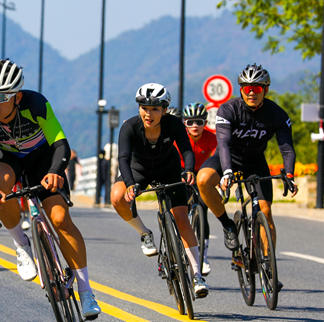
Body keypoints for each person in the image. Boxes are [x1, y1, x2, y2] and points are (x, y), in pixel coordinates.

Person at [0, 59, 101, 319]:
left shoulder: (36, 104)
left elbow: (61, 145)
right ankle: (21, 245)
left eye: (1, 96)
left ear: (17, 97)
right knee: (0, 184)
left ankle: (86, 292)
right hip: (6, 158)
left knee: (61, 219)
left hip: (43, 158)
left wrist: (54, 172)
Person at [197, 64, 297, 280]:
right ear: (240, 89)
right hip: (227, 158)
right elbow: (222, 143)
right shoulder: (228, 110)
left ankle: (269, 267)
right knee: (203, 180)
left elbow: (286, 148)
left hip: (255, 162)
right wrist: (227, 172)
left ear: (266, 90)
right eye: (247, 88)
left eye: (257, 89)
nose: (252, 92)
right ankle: (228, 225)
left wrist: (289, 174)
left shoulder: (277, 114)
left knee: (265, 211)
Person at [110, 83, 209, 298]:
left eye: (155, 109)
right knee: (117, 198)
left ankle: (196, 274)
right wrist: (128, 184)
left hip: (169, 169)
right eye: (144, 107)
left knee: (182, 219)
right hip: (138, 170)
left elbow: (186, 149)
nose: (149, 113)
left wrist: (189, 170)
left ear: (164, 111)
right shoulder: (129, 127)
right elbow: (123, 159)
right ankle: (145, 233)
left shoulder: (173, 124)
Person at [178, 102, 217, 276]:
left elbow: (217, 158)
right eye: (190, 122)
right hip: (181, 174)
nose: (195, 126)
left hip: (201, 175)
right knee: (179, 211)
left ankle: (204, 256)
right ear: (185, 123)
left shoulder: (211, 138)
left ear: (205, 123)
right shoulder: (179, 139)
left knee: (202, 209)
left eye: (199, 122)